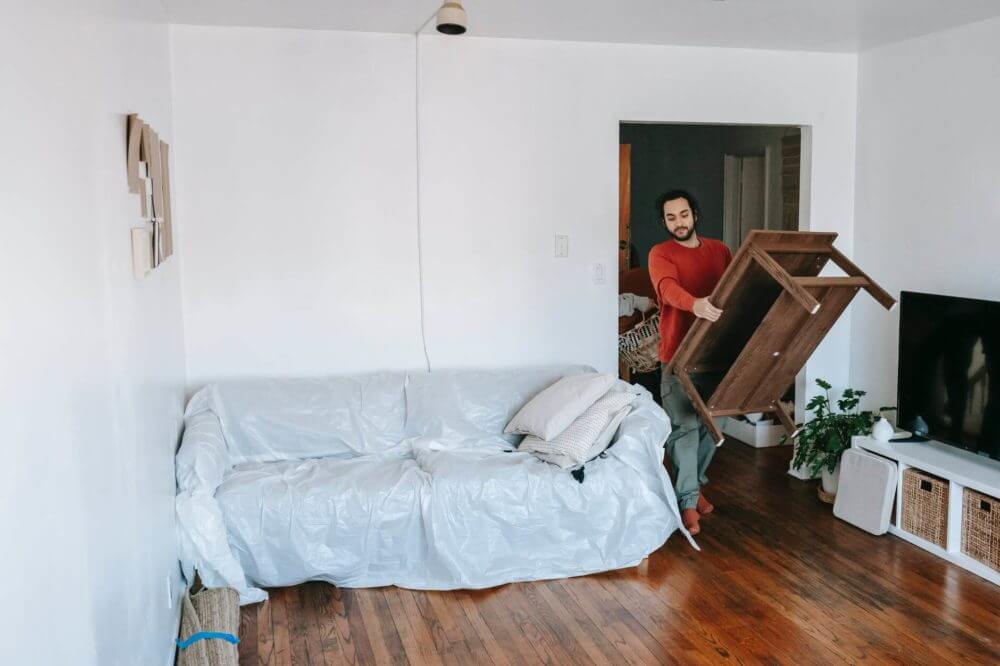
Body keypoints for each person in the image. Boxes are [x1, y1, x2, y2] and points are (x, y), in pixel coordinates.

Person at [648, 189, 732, 536]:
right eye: (671, 218)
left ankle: (691, 486)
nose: (678, 223)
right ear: (665, 222)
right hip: (678, 358)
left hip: (717, 356)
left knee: (714, 430)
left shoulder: (720, 251)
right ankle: (687, 503)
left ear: (694, 215)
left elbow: (736, 288)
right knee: (684, 429)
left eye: (683, 215)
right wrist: (694, 304)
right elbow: (667, 288)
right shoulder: (660, 253)